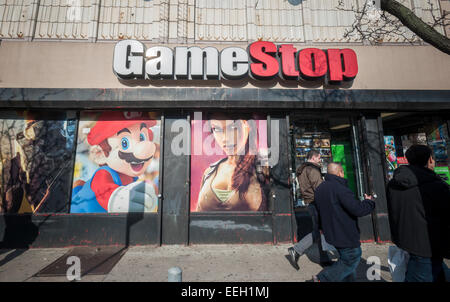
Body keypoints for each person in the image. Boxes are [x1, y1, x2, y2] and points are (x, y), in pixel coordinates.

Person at [386, 144, 450, 282]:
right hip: (428, 246)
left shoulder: (394, 184)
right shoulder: (437, 186)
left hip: (408, 241)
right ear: (430, 160)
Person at [312, 162, 375, 282]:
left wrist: (321, 227)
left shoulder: (320, 189)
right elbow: (358, 209)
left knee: (345, 261)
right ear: (340, 172)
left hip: (331, 231)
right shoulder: (341, 189)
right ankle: (322, 279)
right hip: (344, 232)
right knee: (352, 257)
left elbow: (317, 212)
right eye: (343, 172)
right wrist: (369, 202)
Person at [195, 114, 269, 211]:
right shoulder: (210, 172)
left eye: (233, 127)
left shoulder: (265, 167)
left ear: (249, 126)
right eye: (216, 129)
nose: (225, 138)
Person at [287, 150, 332, 270]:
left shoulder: (302, 169)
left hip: (310, 202)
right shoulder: (312, 170)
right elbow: (320, 188)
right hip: (317, 203)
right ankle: (296, 250)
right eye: (319, 158)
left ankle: (324, 258)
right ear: (313, 157)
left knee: (320, 231)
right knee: (320, 231)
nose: (320, 160)